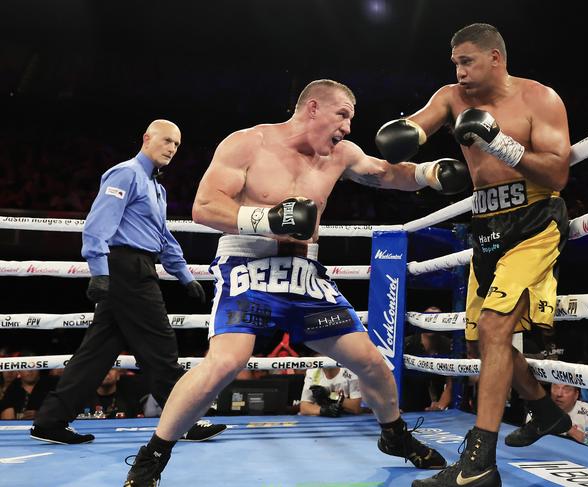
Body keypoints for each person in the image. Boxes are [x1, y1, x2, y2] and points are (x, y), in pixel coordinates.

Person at [123, 79, 470, 485]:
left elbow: (386, 174)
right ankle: (152, 457)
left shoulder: (340, 154)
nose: (347, 127)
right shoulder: (249, 143)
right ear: (313, 109)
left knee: (372, 363)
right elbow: (203, 207)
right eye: (342, 115)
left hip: (305, 278)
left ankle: (394, 435)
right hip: (248, 266)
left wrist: (430, 173)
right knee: (227, 361)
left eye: (351, 120)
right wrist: (266, 219)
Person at [374, 24, 573, 486]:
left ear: (496, 59)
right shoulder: (450, 97)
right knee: (484, 340)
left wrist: (497, 140)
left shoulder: (540, 99)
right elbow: (418, 129)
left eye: (467, 61)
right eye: (455, 63)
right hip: (483, 226)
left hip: (534, 219)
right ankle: (543, 410)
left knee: (495, 326)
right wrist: (406, 143)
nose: (459, 71)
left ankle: (480, 462)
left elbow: (558, 172)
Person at [30, 120, 226, 444]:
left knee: (97, 353)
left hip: (138, 267)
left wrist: (184, 275)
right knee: (160, 346)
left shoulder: (157, 188)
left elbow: (163, 238)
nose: (171, 149)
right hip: (126, 269)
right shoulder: (126, 174)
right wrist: (100, 271)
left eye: (177, 145)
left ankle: (50, 421)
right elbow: (97, 224)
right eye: (166, 141)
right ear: (147, 138)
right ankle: (185, 420)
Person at [546, 384, 588, 450]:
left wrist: (569, 428)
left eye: (566, 389)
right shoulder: (541, 408)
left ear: (576, 395)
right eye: (555, 387)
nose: (559, 394)